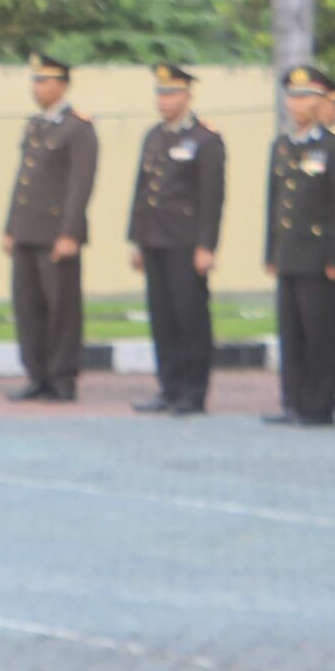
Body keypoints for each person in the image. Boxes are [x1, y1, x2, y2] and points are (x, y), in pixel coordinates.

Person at [126, 62, 224, 416]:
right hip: (154, 239)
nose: (163, 99)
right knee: (162, 316)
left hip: (186, 242)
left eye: (171, 93)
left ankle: (192, 392)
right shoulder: (155, 136)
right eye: (160, 92)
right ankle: (168, 388)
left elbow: (212, 198)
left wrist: (206, 245)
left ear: (187, 95)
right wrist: (136, 239)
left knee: (189, 317)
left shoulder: (205, 138)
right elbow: (142, 191)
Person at [3, 53, 98, 403]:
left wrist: (70, 233)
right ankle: (37, 375)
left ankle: (62, 377)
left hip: (56, 234)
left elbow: (80, 184)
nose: (37, 87)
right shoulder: (36, 125)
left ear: (62, 84)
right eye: (35, 81)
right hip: (28, 230)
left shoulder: (78, 127)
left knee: (62, 308)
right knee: (27, 307)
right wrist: (11, 225)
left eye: (44, 81)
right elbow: (23, 180)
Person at [262, 65, 335, 427]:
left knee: (319, 334)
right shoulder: (282, 145)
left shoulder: (332, 147)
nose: (297, 104)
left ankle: (317, 405)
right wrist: (270, 251)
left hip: (319, 256)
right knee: (290, 333)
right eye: (292, 97)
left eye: (305, 97)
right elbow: (274, 203)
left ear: (322, 101)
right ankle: (292, 402)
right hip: (289, 253)